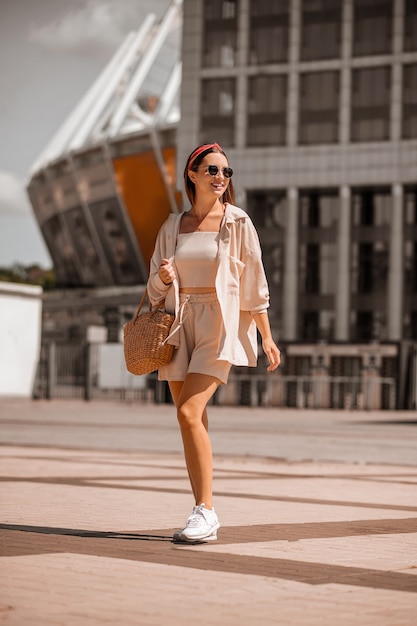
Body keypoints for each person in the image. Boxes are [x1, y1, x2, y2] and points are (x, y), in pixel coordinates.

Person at [147, 142, 281, 543]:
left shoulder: (238, 222)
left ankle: (205, 512)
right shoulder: (172, 227)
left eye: (226, 172)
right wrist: (166, 279)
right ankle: (201, 509)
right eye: (212, 170)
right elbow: (153, 289)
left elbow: (254, 283)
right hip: (178, 323)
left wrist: (267, 336)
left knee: (189, 413)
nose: (220, 178)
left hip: (219, 322)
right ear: (192, 175)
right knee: (191, 421)